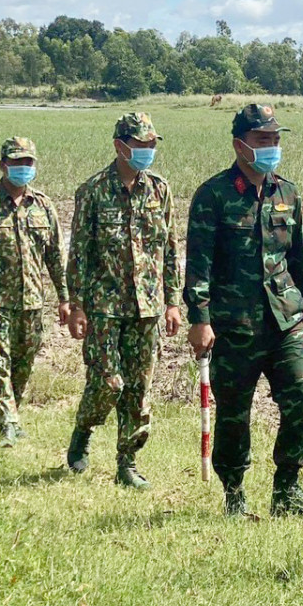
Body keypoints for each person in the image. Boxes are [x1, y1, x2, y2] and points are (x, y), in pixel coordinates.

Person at [184, 103, 303, 517]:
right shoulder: (213, 195)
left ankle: (287, 490)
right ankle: (234, 493)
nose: (272, 147)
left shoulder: (287, 192)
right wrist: (200, 318)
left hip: (285, 318)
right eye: (263, 140)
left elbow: (301, 256)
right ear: (239, 144)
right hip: (234, 324)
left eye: (276, 139)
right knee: (234, 413)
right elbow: (199, 263)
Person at [65, 112, 181, 489]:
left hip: (146, 307)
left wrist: (173, 302)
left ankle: (127, 462)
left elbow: (170, 250)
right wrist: (76, 304)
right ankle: (84, 430)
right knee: (108, 383)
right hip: (104, 306)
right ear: (120, 146)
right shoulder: (93, 190)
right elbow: (79, 252)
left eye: (152, 145)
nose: (148, 151)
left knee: (138, 388)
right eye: (141, 144)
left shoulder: (160, 190)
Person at [0, 137, 68, 446]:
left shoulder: (43, 206)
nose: (23, 168)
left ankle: (10, 414)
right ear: (2, 165)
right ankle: (7, 422)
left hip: (32, 301)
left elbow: (56, 257)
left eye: (27, 163)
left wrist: (65, 298)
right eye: (16, 163)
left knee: (23, 362)